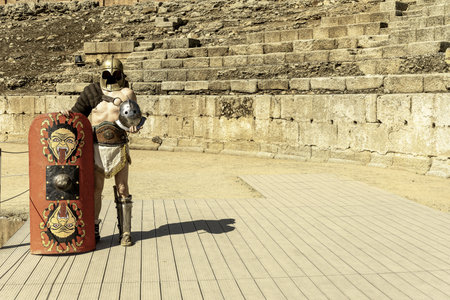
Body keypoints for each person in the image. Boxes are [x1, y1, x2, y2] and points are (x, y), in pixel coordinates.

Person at [67, 56, 139, 246]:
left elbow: (136, 118)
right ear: (102, 74)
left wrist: (135, 126)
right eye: (107, 74)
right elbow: (77, 114)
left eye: (115, 74)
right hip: (97, 148)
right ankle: (94, 227)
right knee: (96, 189)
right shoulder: (92, 92)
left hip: (119, 146)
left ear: (122, 75)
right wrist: (67, 116)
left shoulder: (127, 93)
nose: (111, 77)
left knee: (122, 188)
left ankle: (125, 232)